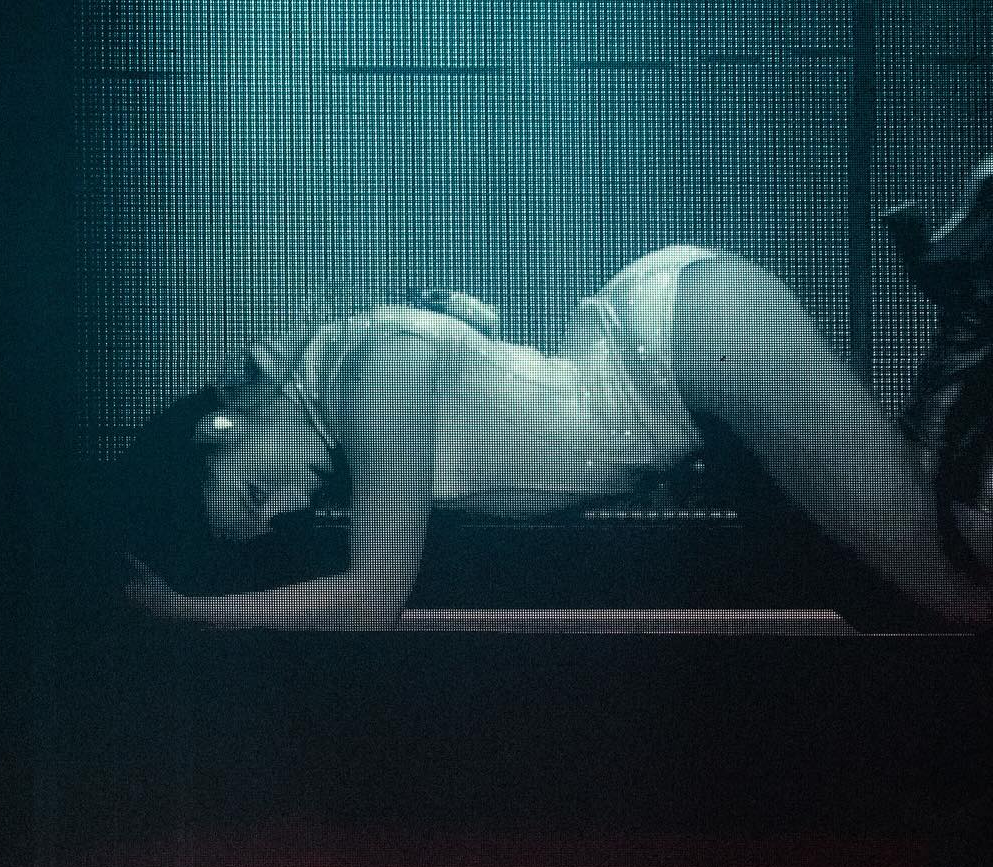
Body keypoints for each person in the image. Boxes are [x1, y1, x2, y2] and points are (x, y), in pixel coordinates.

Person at [117, 154, 993, 630]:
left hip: (687, 345)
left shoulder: (370, 380)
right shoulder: (358, 366)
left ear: (220, 426)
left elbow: (373, 598)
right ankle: (963, 300)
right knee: (889, 592)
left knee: (955, 594)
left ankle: (976, 289)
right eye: (269, 521)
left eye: (252, 492)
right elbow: (483, 331)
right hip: (677, 351)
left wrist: (191, 613)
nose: (284, 509)